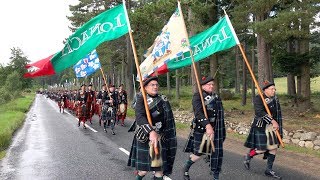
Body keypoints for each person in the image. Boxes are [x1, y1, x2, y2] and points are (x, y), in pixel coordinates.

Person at [127, 76, 177, 180]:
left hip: (159, 137)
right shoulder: (141, 98)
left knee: (159, 169)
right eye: (152, 85)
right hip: (145, 137)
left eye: (156, 85)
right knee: (143, 171)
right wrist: (150, 131)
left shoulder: (162, 99)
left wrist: (167, 135)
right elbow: (140, 117)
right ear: (145, 87)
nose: (155, 87)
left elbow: (168, 118)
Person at [183, 76, 226, 180]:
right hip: (202, 129)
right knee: (198, 153)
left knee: (216, 153)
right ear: (202, 86)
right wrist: (207, 125)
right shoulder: (198, 96)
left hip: (216, 129)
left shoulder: (216, 97)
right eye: (208, 84)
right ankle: (185, 168)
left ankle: (215, 174)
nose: (211, 86)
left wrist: (220, 129)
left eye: (212, 84)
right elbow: (198, 113)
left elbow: (220, 114)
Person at [243, 80, 283, 179]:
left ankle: (268, 170)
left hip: (271, 127)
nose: (274, 91)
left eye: (274, 89)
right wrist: (272, 120)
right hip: (261, 126)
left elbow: (278, 114)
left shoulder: (275, 99)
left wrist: (278, 125)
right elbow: (259, 112)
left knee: (273, 147)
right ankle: (249, 156)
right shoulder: (258, 98)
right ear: (265, 90)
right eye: (272, 89)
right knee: (262, 148)